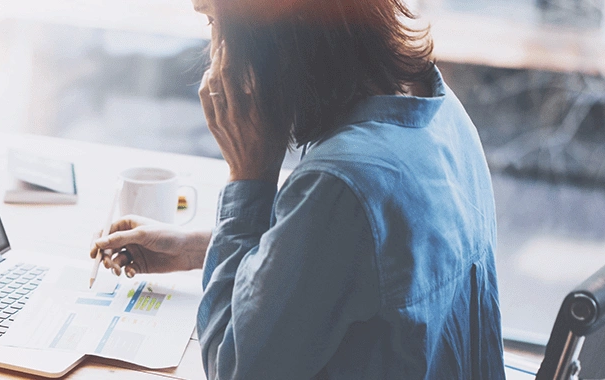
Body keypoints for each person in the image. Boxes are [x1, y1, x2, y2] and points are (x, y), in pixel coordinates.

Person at [88, 0, 505, 378]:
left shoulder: (341, 182)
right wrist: (196, 248)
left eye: (214, 20)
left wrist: (249, 178)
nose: (213, 54)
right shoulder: (441, 110)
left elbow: (234, 371)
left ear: (270, 32)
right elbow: (358, 261)